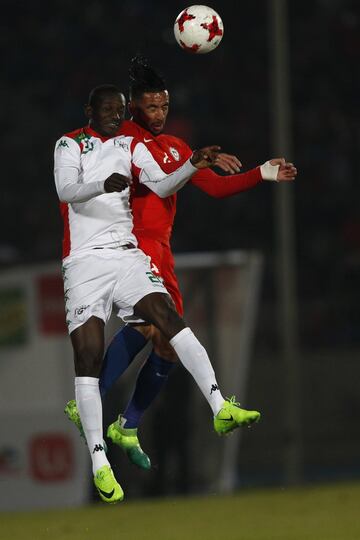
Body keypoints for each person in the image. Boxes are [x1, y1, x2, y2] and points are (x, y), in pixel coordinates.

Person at [64, 56, 296, 473]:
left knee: (166, 341)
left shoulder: (175, 147)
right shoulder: (123, 137)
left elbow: (217, 188)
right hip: (132, 244)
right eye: (150, 107)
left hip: (162, 249)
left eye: (164, 107)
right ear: (133, 107)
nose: (158, 114)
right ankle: (102, 406)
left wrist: (262, 172)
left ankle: (125, 423)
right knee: (159, 328)